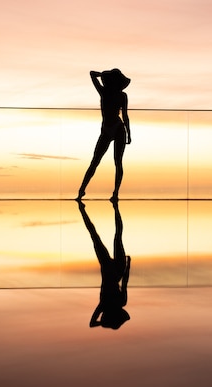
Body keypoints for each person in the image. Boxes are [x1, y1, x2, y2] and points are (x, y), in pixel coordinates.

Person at [76, 69, 131, 202]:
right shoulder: (108, 92)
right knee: (97, 161)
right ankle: (81, 191)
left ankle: (115, 194)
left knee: (115, 162)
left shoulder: (111, 93)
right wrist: (105, 75)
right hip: (108, 130)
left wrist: (129, 133)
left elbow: (125, 116)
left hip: (117, 129)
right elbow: (91, 74)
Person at [77, 200, 131, 329]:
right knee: (99, 237)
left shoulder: (117, 303)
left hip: (115, 270)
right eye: (104, 318)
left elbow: (124, 282)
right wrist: (103, 324)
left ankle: (114, 207)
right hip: (112, 270)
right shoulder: (104, 305)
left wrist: (128, 266)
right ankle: (85, 209)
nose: (102, 317)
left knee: (113, 236)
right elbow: (92, 324)